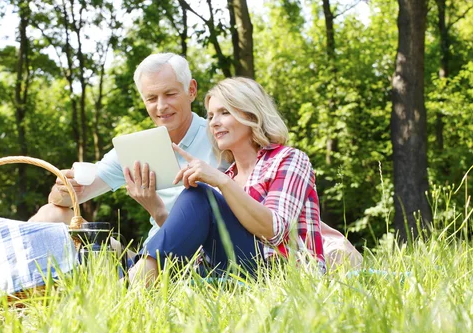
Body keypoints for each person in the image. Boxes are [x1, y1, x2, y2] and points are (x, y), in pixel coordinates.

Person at [128, 77, 326, 284]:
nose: (214, 122)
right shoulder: (227, 176)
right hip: (234, 274)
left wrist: (220, 182)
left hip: (284, 275)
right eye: (211, 116)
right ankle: (133, 277)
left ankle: (132, 284)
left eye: (224, 112)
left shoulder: (288, 159)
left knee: (201, 195)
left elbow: (274, 232)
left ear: (252, 114)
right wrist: (157, 209)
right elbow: (195, 251)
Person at [30, 53, 220, 244]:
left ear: (191, 90)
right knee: (50, 214)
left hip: (204, 255)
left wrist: (156, 208)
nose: (161, 106)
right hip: (149, 257)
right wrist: (63, 188)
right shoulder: (136, 148)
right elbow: (61, 200)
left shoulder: (219, 136)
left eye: (170, 94)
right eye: (152, 98)